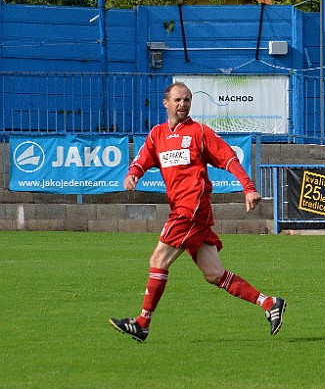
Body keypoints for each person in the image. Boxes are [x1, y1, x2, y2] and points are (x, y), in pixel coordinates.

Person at [109, 82, 286, 342]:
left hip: (190, 208)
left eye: (188, 100)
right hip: (188, 212)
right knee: (214, 274)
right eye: (178, 100)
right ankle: (269, 303)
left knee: (158, 261)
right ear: (166, 102)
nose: (183, 104)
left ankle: (143, 323)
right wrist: (133, 174)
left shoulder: (199, 133)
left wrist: (248, 187)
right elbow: (143, 158)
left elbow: (228, 158)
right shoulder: (157, 135)